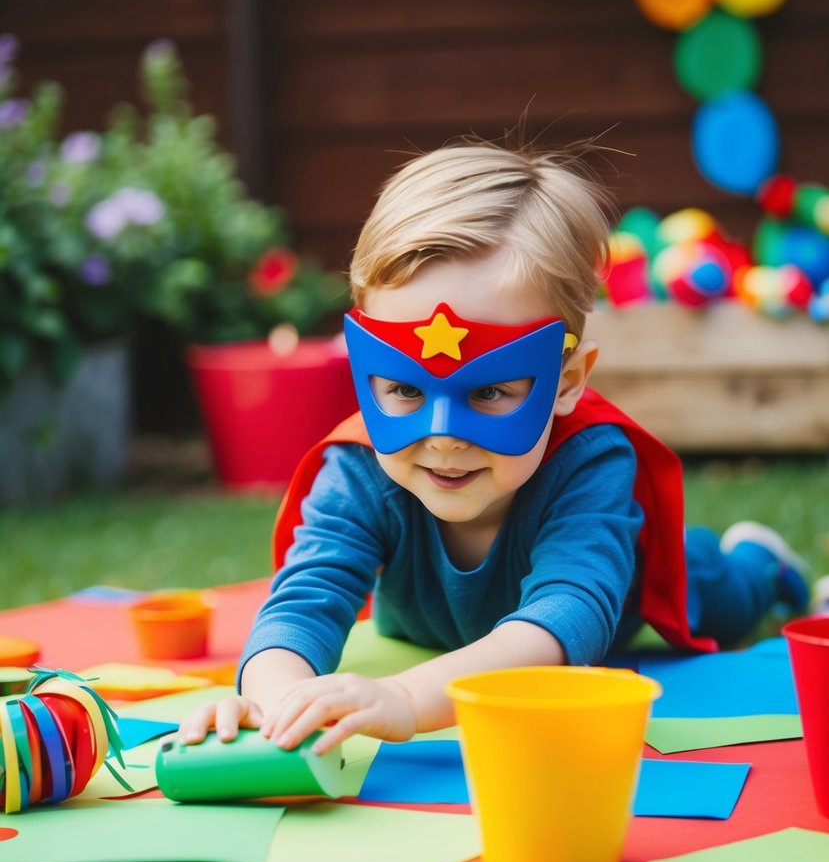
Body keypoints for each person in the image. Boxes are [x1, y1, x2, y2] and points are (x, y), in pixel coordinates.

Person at [180, 141, 810, 755]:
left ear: (566, 382)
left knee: (723, 591)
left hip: (641, 591)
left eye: (489, 392)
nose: (444, 435)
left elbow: (569, 617)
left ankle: (761, 559)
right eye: (403, 387)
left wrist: (406, 697)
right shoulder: (359, 468)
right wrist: (273, 702)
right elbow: (305, 597)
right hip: (439, 637)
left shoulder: (588, 463)